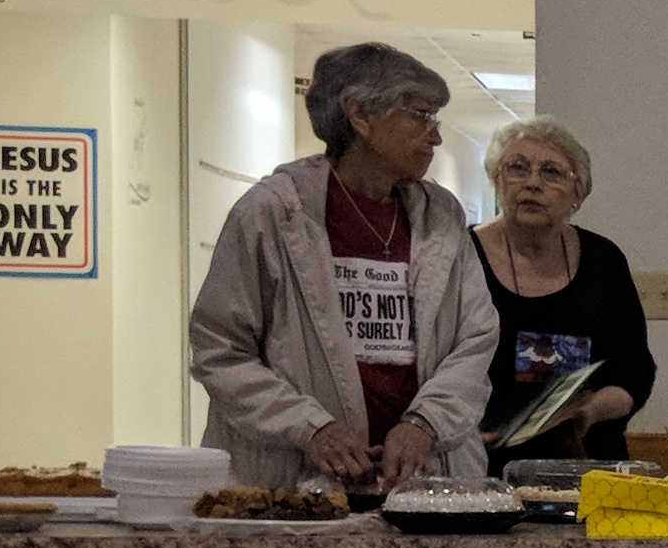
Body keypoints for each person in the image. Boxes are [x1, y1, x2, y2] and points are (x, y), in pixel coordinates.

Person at [187, 40, 496, 493]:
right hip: (294, 483)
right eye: (421, 116)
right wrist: (312, 427)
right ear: (361, 115)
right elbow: (221, 350)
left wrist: (425, 423)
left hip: (422, 483)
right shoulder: (272, 214)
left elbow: (475, 340)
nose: (435, 136)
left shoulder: (441, 216)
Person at [473, 116, 655, 466]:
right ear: (497, 179)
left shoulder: (603, 260)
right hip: (482, 462)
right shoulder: (463, 255)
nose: (532, 183)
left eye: (551, 172)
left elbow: (633, 372)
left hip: (585, 460)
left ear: (578, 191)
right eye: (517, 168)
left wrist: (587, 412)